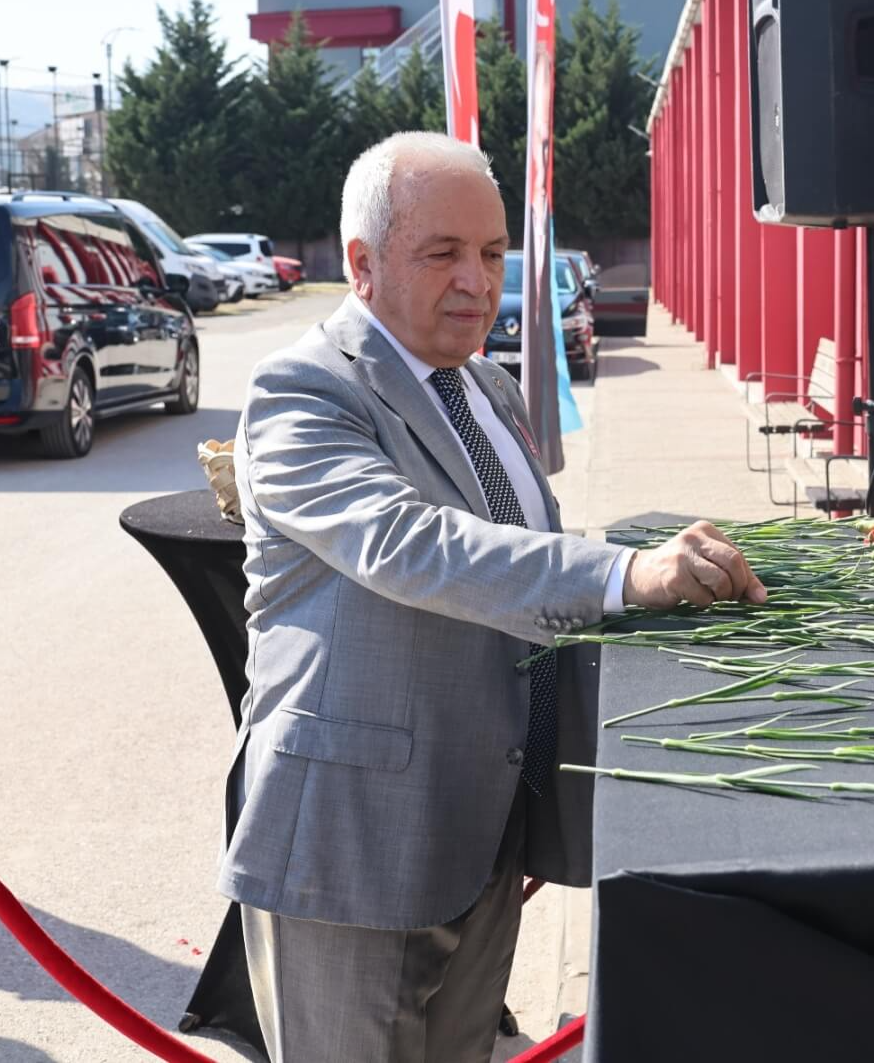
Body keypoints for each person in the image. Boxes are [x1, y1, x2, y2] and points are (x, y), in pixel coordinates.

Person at [222, 131, 767, 1062]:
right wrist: (622, 575)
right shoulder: (303, 391)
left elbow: (523, 556)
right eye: (443, 253)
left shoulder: (490, 386)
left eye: (491, 251)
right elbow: (407, 543)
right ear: (361, 264)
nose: (479, 280)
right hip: (353, 852)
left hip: (483, 830)